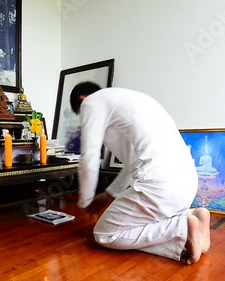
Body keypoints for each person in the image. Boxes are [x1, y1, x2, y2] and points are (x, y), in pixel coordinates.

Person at [70, 81, 211, 265]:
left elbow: (89, 158)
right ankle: (192, 218)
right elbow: (131, 165)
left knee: (104, 233)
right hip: (187, 183)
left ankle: (181, 227)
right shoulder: (134, 100)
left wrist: (85, 201)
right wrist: (109, 194)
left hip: (160, 185)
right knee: (144, 223)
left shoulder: (91, 103)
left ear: (82, 100)